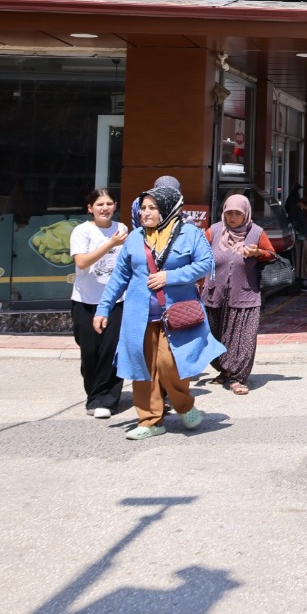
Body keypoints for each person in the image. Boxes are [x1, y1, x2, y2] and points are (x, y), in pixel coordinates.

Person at [94, 184, 224, 440]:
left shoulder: (189, 233)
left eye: (152, 207)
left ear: (168, 208)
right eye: (143, 208)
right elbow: (119, 277)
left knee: (169, 363)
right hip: (138, 315)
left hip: (177, 314)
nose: (146, 213)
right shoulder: (135, 238)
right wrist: (103, 307)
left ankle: (183, 404)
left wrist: (170, 276)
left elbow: (206, 264)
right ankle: (150, 420)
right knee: (142, 367)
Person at [202, 195, 276, 395]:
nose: (233, 217)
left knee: (243, 339)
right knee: (212, 336)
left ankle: (238, 377)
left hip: (245, 295)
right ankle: (225, 369)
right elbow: (198, 256)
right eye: (229, 213)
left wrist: (258, 253)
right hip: (214, 294)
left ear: (246, 214)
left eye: (238, 214)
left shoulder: (256, 232)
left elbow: (271, 254)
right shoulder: (213, 231)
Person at [69, 188, 129, 418]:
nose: (105, 208)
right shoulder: (82, 231)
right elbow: (82, 262)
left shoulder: (122, 229)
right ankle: (94, 393)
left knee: (112, 349)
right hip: (86, 300)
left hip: (116, 300)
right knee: (90, 351)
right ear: (90, 208)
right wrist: (110, 243)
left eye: (109, 203)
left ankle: (106, 400)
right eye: (100, 204)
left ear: (115, 206)